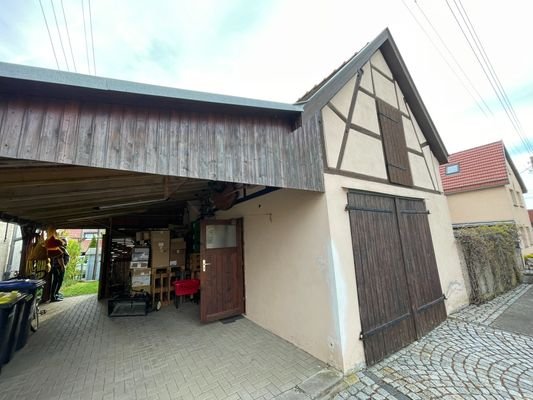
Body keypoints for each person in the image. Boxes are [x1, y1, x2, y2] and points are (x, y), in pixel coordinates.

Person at [45, 228, 68, 302]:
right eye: (65, 241)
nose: (66, 243)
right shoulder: (59, 248)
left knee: (57, 281)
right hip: (58, 268)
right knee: (57, 281)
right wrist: (63, 266)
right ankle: (53, 296)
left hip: (57, 267)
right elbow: (59, 257)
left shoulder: (59, 248)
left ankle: (55, 294)